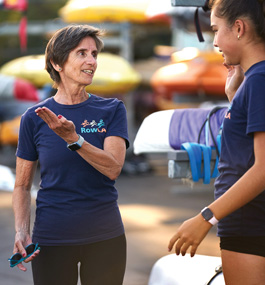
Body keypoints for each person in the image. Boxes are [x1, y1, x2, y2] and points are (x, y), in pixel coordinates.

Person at [10, 24, 129, 285]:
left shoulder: (111, 109)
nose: (92, 61)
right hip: (52, 238)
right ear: (57, 62)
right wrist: (21, 230)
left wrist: (74, 140)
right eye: (82, 53)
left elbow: (113, 168)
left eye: (94, 54)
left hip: (105, 237)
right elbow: (21, 184)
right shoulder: (34, 117)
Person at [168, 0, 265, 284]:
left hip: (250, 224)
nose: (215, 42)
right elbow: (245, 149)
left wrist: (205, 218)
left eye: (215, 31)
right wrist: (234, 96)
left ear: (238, 28)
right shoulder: (253, 81)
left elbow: (262, 168)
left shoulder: (259, 81)